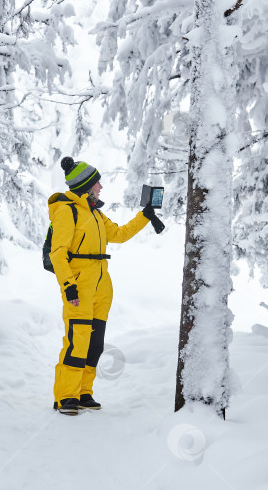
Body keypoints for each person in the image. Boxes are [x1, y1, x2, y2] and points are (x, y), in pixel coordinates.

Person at [47, 156, 163, 416]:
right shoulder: (68, 211)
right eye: (97, 184)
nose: (100, 188)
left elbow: (119, 234)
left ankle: (83, 393)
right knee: (77, 342)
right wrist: (69, 286)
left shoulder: (95, 213)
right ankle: (66, 396)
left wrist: (145, 216)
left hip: (102, 288)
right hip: (79, 287)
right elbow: (58, 253)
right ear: (86, 185)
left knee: (95, 344)